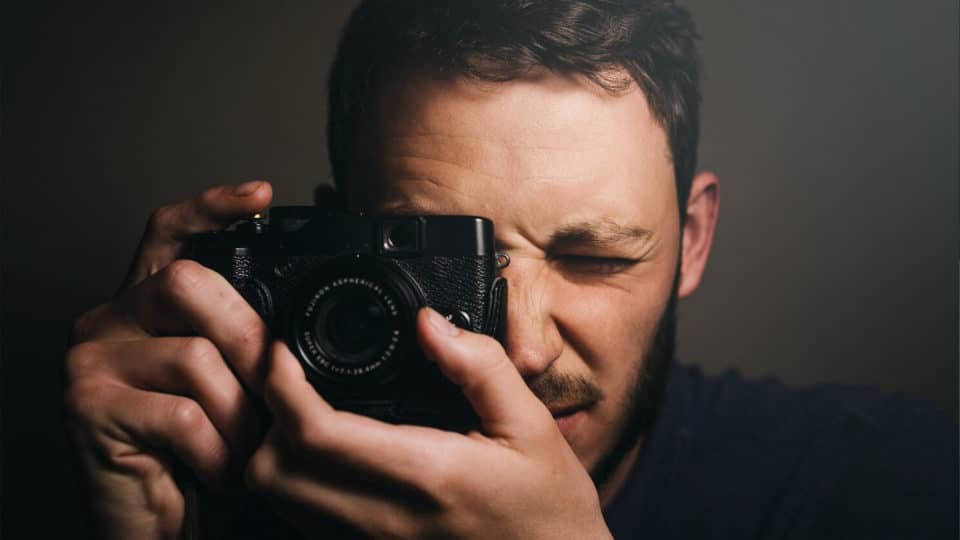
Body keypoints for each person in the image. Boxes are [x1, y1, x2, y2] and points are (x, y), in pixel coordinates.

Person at [63, 1, 957, 539]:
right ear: (335, 238)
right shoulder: (220, 486)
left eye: (596, 256)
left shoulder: (885, 484)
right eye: (441, 257)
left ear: (690, 240)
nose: (519, 351)